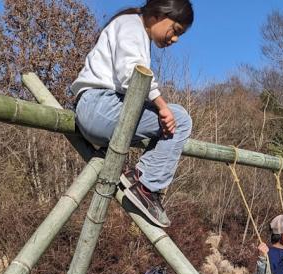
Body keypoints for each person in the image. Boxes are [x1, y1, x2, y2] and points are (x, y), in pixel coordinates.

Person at [71, 0, 195, 228]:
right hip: (99, 106)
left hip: (101, 107)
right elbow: (133, 74)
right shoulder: (131, 25)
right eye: (175, 30)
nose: (175, 39)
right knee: (180, 119)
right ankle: (146, 185)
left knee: (176, 116)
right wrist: (162, 106)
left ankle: (143, 181)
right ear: (159, 14)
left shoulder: (134, 29)